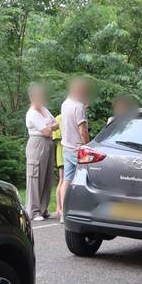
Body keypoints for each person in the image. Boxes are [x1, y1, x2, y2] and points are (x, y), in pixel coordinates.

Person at [58, 77, 91, 222]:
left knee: (67, 179)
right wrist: (87, 147)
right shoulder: (78, 107)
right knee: (85, 179)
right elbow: (82, 130)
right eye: (84, 91)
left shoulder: (65, 104)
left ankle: (63, 213)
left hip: (66, 147)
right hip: (78, 149)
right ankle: (83, 210)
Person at [24, 83, 58, 221]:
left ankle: (43, 209)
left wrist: (50, 126)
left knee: (47, 176)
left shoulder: (44, 109)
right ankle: (33, 211)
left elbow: (56, 124)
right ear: (32, 96)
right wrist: (50, 126)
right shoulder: (32, 113)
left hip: (48, 143)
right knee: (35, 176)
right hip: (37, 144)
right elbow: (46, 131)